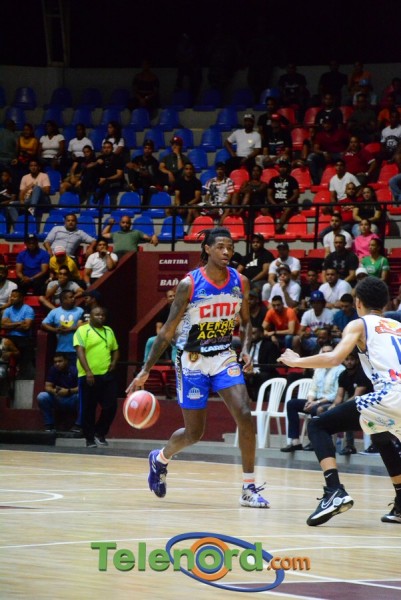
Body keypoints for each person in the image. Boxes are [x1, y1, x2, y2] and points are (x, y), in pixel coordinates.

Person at [127, 227, 270, 508]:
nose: (227, 252)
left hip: (223, 356)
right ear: (207, 249)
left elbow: (247, 323)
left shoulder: (240, 281)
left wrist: (245, 349)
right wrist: (145, 370)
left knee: (245, 414)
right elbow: (167, 331)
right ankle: (160, 458)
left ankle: (248, 488)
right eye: (220, 247)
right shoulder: (189, 284)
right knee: (194, 433)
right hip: (192, 361)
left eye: (230, 247)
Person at [279, 277, 401, 526]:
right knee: (379, 435)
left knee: (317, 425)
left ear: (358, 303)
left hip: (390, 395)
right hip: (393, 398)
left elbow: (334, 358)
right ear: (386, 303)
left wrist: (296, 361)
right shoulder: (397, 325)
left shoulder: (359, 324)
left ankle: (334, 491)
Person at [280, 344, 345, 453]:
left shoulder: (340, 369)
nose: (326, 354)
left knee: (316, 409)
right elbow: (313, 389)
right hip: (316, 401)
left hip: (330, 402)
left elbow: (335, 394)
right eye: (323, 352)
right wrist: (310, 401)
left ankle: (315, 441)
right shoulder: (319, 369)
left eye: (329, 352)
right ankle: (295, 442)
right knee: (292, 404)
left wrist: (316, 402)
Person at [73, 306, 119, 448]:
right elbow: (80, 351)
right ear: (90, 317)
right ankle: (89, 438)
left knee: (111, 406)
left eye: (103, 315)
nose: (100, 317)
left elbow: (115, 349)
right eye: (97, 315)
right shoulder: (82, 330)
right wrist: (88, 371)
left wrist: (114, 362)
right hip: (88, 376)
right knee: (89, 408)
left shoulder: (108, 330)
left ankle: (100, 432)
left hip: (106, 375)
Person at [329, 349, 372, 456]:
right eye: (347, 359)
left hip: (367, 404)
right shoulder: (343, 375)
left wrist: (341, 407)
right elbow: (339, 397)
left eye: (352, 359)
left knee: (347, 412)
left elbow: (356, 397)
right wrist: (333, 406)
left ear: (357, 360)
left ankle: (350, 446)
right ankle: (328, 445)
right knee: (322, 410)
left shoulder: (362, 373)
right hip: (351, 404)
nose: (349, 362)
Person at [36, 352, 81, 434]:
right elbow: (47, 386)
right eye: (55, 362)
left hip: (71, 398)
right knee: (42, 396)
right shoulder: (53, 370)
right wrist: (54, 391)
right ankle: (49, 425)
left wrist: (68, 391)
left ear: (66, 361)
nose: (57, 364)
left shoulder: (74, 370)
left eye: (60, 361)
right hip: (58, 398)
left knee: (81, 397)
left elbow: (81, 388)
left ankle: (79, 425)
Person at [41, 289, 84, 364]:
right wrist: (55, 330)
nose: (73, 299)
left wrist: (70, 329)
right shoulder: (55, 312)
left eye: (73, 297)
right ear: (63, 300)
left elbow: (86, 325)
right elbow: (44, 324)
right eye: (71, 297)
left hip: (77, 349)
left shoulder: (80, 311)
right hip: (60, 349)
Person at [1, 288, 35, 378]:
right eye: (11, 296)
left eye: (15, 297)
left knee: (26, 349)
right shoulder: (8, 310)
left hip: (24, 337)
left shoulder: (28, 310)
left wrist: (10, 324)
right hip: (10, 337)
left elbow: (26, 327)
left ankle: (23, 373)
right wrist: (19, 323)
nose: (12, 298)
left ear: (21, 298)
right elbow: (3, 325)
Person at [292, 290, 334, 355]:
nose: (316, 304)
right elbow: (300, 331)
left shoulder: (328, 313)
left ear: (323, 303)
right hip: (312, 339)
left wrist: (318, 332)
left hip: (325, 340)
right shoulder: (307, 314)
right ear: (311, 303)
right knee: (296, 339)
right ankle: (297, 360)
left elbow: (329, 329)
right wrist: (304, 334)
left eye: (318, 302)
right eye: (314, 302)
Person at [245, 326, 280, 402]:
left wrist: (255, 372)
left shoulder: (269, 345)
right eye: (249, 333)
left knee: (261, 376)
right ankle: (246, 400)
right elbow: (242, 361)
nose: (251, 335)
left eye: (253, 333)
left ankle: (258, 401)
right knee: (238, 377)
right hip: (249, 371)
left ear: (261, 334)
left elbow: (271, 365)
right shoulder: (247, 345)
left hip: (264, 372)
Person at [266, 159, 300, 234]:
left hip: (287, 203)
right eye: (281, 167)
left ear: (287, 168)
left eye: (284, 167)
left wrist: (286, 202)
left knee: (288, 209)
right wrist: (274, 203)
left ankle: (277, 228)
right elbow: (269, 194)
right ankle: (275, 227)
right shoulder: (273, 180)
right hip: (275, 203)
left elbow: (296, 194)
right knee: (264, 209)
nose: (282, 169)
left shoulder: (292, 180)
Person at [144, 289, 176, 362]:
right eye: (170, 296)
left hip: (178, 337)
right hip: (165, 337)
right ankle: (145, 364)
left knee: (176, 344)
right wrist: (162, 337)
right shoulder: (163, 312)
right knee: (150, 341)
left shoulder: (182, 310)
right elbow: (158, 328)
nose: (173, 298)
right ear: (167, 299)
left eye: (174, 296)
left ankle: (175, 365)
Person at [125, 139, 159, 205]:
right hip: (137, 180)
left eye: (149, 148)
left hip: (148, 182)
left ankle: (144, 206)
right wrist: (132, 166)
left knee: (146, 186)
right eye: (145, 148)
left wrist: (138, 169)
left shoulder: (154, 162)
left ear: (152, 150)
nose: (147, 150)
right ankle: (132, 185)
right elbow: (129, 165)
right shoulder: (137, 158)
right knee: (131, 169)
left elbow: (149, 175)